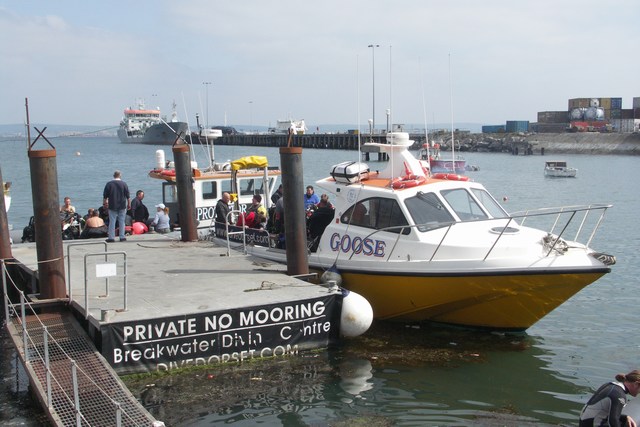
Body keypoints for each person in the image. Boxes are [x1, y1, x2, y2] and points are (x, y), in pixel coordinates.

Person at [102, 170, 131, 242]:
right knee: (122, 221)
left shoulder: (109, 184)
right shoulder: (124, 184)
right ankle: (122, 237)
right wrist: (129, 204)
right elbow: (128, 196)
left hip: (112, 205)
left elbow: (105, 196)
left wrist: (104, 204)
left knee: (112, 221)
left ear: (113, 176)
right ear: (120, 175)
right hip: (122, 205)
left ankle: (111, 237)